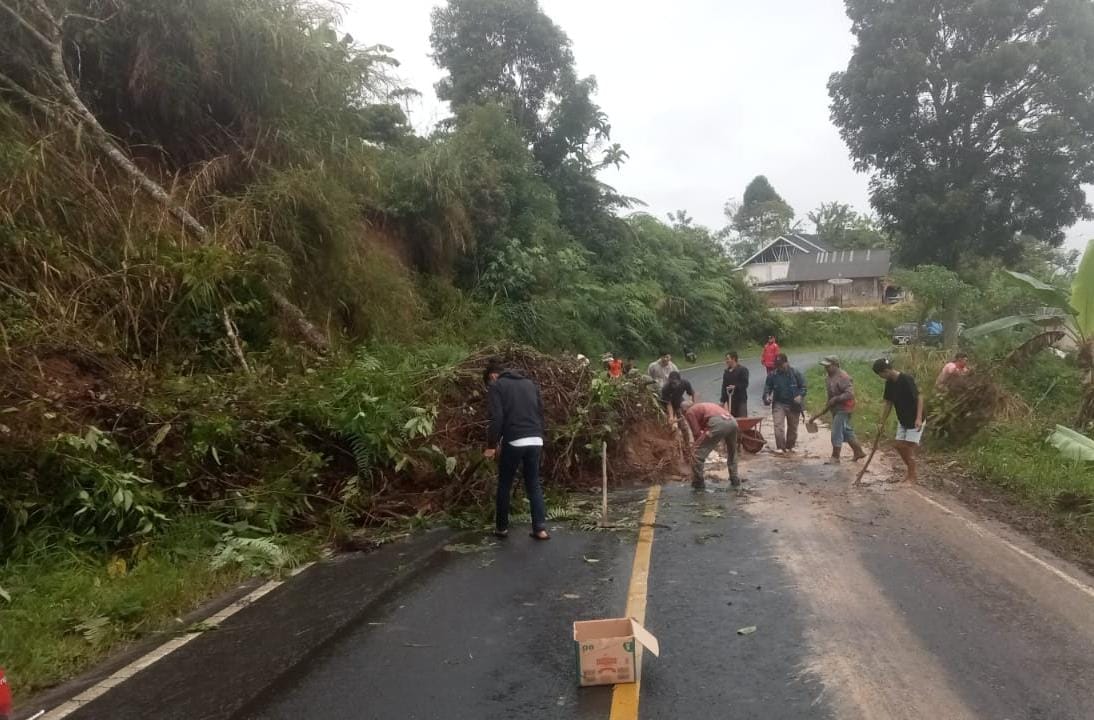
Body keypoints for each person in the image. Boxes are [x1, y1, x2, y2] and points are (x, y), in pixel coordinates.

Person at [483, 359, 550, 540]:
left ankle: (502, 528)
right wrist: (539, 435)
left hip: (514, 440)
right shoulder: (530, 384)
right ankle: (540, 528)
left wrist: (491, 445)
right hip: (536, 438)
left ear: (492, 376)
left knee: (505, 484)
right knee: (534, 484)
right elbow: (540, 412)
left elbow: (497, 418)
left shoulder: (497, 386)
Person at [872, 358, 924, 484]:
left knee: (906, 447)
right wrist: (881, 421)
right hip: (903, 420)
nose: (881, 378)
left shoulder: (906, 379)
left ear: (886, 371)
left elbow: (919, 398)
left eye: (881, 375)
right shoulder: (889, 383)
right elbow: (888, 403)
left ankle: (912, 476)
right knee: (899, 446)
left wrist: (918, 418)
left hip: (914, 419)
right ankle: (911, 472)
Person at [816, 356, 867, 464]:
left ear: (835, 365)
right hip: (836, 408)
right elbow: (830, 397)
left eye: (828, 366)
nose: (826, 368)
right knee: (846, 430)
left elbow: (850, 394)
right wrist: (825, 408)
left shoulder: (843, 377)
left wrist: (836, 399)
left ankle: (835, 457)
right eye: (825, 366)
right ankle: (858, 451)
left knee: (836, 431)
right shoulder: (829, 377)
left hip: (845, 407)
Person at [684, 402, 741, 490]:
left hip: (718, 423)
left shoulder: (689, 412)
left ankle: (698, 482)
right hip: (732, 422)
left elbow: (696, 433)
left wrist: (696, 446)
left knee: (697, 454)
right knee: (732, 451)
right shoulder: (703, 406)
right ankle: (735, 478)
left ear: (683, 409)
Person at [763, 353, 806, 454]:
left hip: (793, 404)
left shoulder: (795, 373)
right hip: (779, 403)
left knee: (793, 428)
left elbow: (803, 387)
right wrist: (767, 397)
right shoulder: (772, 375)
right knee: (778, 426)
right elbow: (767, 388)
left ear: (787, 363)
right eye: (777, 365)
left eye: (781, 365)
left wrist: (800, 396)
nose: (779, 367)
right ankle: (780, 448)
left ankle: (790, 447)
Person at [720, 351, 750, 418]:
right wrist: (722, 401)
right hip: (731, 401)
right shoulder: (726, 372)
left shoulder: (743, 370)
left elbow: (745, 384)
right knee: (733, 421)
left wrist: (735, 387)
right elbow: (724, 387)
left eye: (728, 359)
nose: (726, 361)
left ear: (733, 359)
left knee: (742, 421)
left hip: (741, 400)